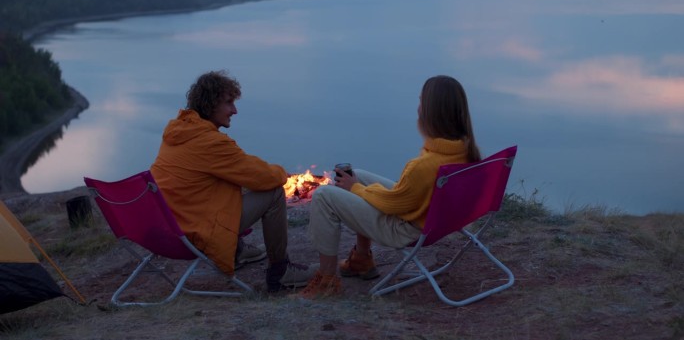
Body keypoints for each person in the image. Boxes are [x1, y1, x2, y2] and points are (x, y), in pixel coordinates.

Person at [299, 75, 482, 298]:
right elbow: (404, 196)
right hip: (434, 220)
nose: (417, 108)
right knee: (361, 175)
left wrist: (355, 189)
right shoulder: (464, 152)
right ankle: (362, 260)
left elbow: (393, 204)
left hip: (406, 229)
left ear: (431, 113)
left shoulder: (424, 166)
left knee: (324, 196)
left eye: (421, 102)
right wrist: (359, 184)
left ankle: (326, 283)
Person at [150, 70, 316, 292]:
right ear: (210, 104)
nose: (234, 110)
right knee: (274, 192)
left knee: (225, 180)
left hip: (168, 222)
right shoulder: (209, 142)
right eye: (228, 103)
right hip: (195, 230)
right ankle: (281, 271)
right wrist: (282, 174)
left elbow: (237, 169)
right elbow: (261, 177)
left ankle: (236, 250)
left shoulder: (179, 130)